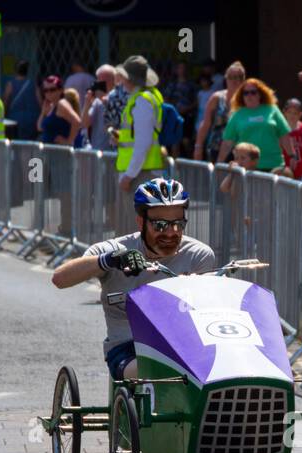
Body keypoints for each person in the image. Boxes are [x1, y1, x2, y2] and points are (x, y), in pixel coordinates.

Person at [51, 178, 216, 381]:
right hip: (129, 347)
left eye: (178, 224)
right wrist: (108, 260)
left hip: (184, 345)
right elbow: (59, 279)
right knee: (155, 370)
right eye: (161, 225)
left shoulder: (199, 255)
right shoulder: (114, 249)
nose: (171, 232)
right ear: (141, 222)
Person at [114, 56, 166, 193]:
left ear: (129, 79)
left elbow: (143, 143)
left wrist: (128, 176)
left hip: (141, 175)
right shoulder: (145, 97)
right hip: (142, 172)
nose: (122, 80)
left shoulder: (142, 101)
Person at [218, 77, 293, 170]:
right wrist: (219, 163)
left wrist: (292, 156)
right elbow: (227, 142)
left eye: (253, 92)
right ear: (242, 96)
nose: (249, 95)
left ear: (260, 94)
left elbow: (284, 135)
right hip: (246, 168)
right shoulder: (237, 114)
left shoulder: (272, 109)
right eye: (246, 93)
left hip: (273, 165)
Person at [194, 61, 243, 161]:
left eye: (239, 77)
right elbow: (206, 124)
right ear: (226, 78)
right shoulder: (217, 97)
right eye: (231, 77)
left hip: (241, 152)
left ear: (243, 79)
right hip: (216, 147)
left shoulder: (248, 98)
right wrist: (198, 147)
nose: (235, 80)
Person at [37, 75, 80, 147]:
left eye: (52, 90)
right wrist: (43, 112)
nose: (48, 93)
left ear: (60, 90)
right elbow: (40, 128)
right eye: (45, 91)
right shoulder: (52, 106)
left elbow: (77, 122)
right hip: (49, 151)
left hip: (60, 152)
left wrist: (69, 141)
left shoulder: (62, 104)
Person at [3, 61, 40, 141]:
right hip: (32, 118)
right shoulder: (33, 83)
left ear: (15, 71)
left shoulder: (10, 84)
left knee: (16, 143)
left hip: (15, 118)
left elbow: (6, 100)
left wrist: (4, 114)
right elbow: (39, 100)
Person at [282, 98, 302, 178]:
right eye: (289, 112)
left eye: (295, 113)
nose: (292, 115)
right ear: (284, 113)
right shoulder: (281, 130)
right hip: (286, 172)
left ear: (300, 114)